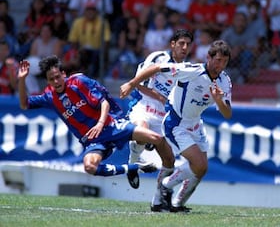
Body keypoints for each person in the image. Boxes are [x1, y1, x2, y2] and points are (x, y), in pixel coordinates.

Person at [17, 55, 174, 189]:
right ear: (47, 81)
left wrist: (100, 124)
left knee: (156, 138)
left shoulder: (78, 82)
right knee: (90, 167)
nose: (56, 81)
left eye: (58, 77)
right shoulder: (49, 97)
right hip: (92, 140)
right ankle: (134, 168)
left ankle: (167, 179)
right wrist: (22, 80)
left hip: (111, 126)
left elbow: (104, 102)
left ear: (63, 74)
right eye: (51, 79)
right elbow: (24, 104)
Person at [120, 40, 232, 212]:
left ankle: (174, 204)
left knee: (201, 170)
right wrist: (132, 83)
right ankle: (166, 185)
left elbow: (227, 113)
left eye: (224, 61)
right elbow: (156, 68)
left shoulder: (224, 81)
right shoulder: (192, 70)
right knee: (198, 164)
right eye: (217, 60)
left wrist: (219, 101)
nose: (220, 65)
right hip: (176, 123)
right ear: (208, 58)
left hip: (195, 124)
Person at [125, 29, 194, 212]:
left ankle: (157, 202)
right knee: (142, 130)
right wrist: (160, 96)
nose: (184, 48)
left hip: (165, 116)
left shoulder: (188, 69)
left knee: (169, 160)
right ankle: (133, 163)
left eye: (188, 44)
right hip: (144, 105)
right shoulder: (157, 58)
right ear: (172, 44)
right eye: (181, 43)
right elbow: (137, 82)